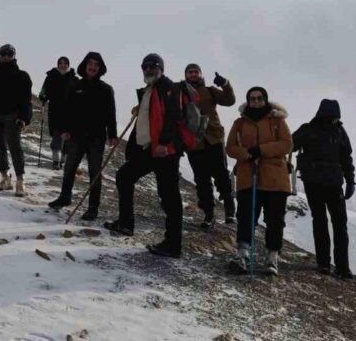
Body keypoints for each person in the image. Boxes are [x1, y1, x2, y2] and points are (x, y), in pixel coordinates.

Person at [104, 54, 184, 258]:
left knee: (169, 197)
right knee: (124, 176)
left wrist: (164, 143)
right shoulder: (149, 90)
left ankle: (173, 245)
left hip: (165, 151)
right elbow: (148, 122)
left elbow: (174, 116)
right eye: (145, 66)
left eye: (153, 66)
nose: (148, 69)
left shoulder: (169, 87)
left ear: (161, 68)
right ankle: (125, 224)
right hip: (148, 149)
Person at [225, 87, 291, 275]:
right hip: (248, 175)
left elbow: (286, 144)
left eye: (260, 98)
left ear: (265, 100)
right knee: (246, 216)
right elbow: (230, 147)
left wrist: (260, 150)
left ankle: (272, 257)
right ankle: (243, 254)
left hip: (275, 178)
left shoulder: (278, 120)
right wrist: (247, 154)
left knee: (275, 219)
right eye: (252, 99)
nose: (256, 102)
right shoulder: (239, 123)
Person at [47, 52, 117, 220]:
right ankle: (65, 197)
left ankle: (93, 208)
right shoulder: (75, 86)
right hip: (76, 136)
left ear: (100, 68)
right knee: (69, 167)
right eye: (90, 64)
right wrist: (64, 129)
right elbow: (67, 110)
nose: (92, 67)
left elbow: (110, 114)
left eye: (96, 65)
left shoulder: (106, 89)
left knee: (95, 171)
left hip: (97, 137)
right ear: (85, 66)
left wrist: (112, 134)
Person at [292, 99, 356, 279]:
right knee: (338, 224)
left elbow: (289, 144)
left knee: (322, 222)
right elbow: (347, 158)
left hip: (318, 183)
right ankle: (340, 268)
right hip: (329, 183)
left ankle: (326, 264)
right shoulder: (338, 131)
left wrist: (350, 180)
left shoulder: (309, 129)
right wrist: (350, 181)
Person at [182, 63, 236, 228]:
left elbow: (229, 100)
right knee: (202, 180)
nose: (193, 74)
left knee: (221, 175)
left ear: (200, 74)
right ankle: (209, 215)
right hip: (193, 143)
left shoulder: (210, 90)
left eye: (195, 72)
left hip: (213, 138)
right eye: (190, 72)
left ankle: (230, 212)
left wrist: (225, 84)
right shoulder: (181, 93)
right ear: (186, 75)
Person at [0, 44, 33, 196]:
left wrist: (24, 118)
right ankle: (5, 178)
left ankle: (20, 180)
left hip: (12, 116)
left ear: (14, 55)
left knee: (14, 147)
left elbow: (26, 100)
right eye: (3, 53)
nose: (6, 56)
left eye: (9, 53)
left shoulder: (22, 76)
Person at [38, 56, 78, 170]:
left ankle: (63, 160)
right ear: (58, 64)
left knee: (68, 138)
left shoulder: (74, 79)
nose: (63, 65)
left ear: (68, 65)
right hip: (55, 110)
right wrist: (43, 97)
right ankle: (55, 161)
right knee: (56, 134)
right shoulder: (51, 77)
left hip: (71, 112)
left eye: (65, 63)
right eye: (60, 63)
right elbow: (43, 90)